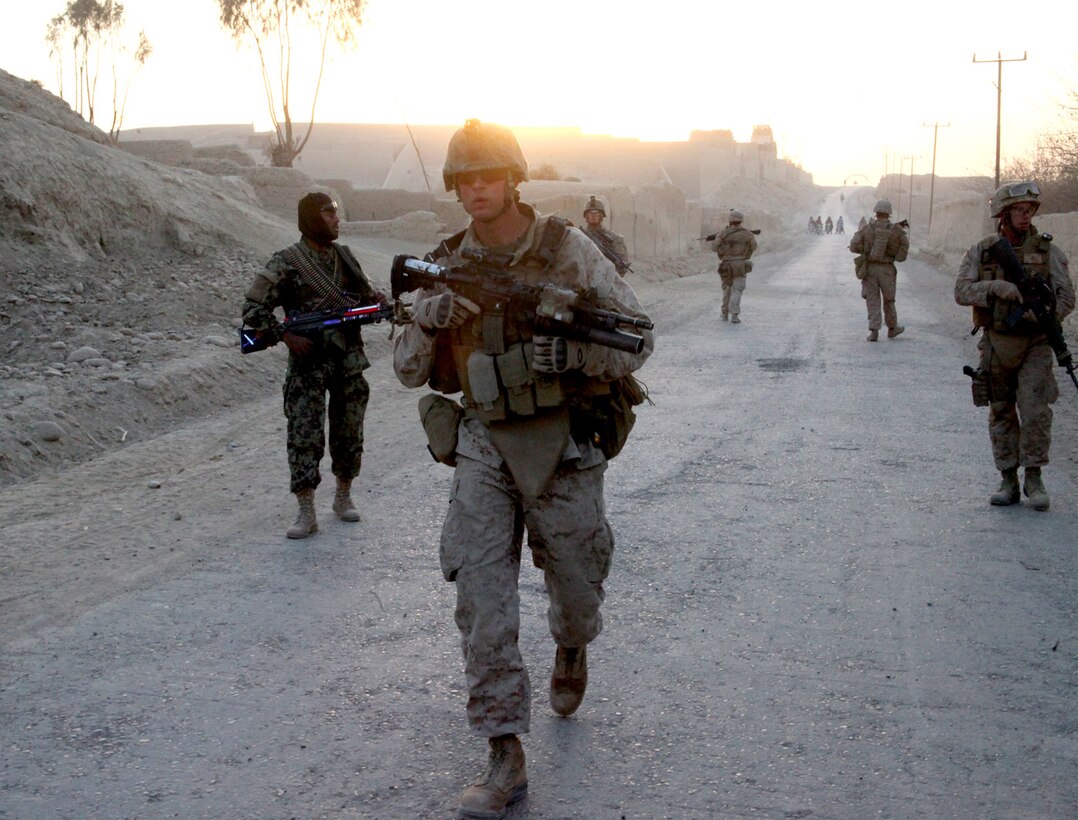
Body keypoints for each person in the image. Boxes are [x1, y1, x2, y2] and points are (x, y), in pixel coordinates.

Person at [392, 119, 653, 819]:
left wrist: (573, 358)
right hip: (483, 441)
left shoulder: (568, 250)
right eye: (464, 179)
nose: (476, 189)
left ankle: (572, 643)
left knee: (576, 587)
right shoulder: (443, 261)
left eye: (487, 176)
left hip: (565, 442)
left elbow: (637, 340)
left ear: (513, 178)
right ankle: (504, 751)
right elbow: (408, 372)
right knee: (482, 598)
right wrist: (427, 319)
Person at [242, 192, 385, 538]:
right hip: (308, 363)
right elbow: (253, 310)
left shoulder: (345, 258)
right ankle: (306, 510)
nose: (337, 220)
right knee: (304, 435)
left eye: (336, 214)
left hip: (348, 360)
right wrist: (285, 335)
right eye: (328, 214)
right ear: (310, 218)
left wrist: (377, 303)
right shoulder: (287, 261)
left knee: (349, 430)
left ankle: (343, 496)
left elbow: (365, 299)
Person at [954, 181, 1074, 510]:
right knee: (1001, 412)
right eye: (1020, 211)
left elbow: (1067, 296)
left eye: (1030, 210)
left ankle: (1033, 478)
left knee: (1035, 412)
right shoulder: (983, 250)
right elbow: (961, 291)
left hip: (1035, 344)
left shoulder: (1048, 250)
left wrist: (1045, 317)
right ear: (1004, 215)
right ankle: (1008, 479)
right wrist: (996, 288)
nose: (1026, 216)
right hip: (996, 343)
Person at [848, 198, 909, 341]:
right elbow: (904, 249)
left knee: (872, 300)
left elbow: (853, 246)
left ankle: (874, 331)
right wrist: (895, 256)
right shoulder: (896, 230)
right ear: (889, 213)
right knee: (889, 300)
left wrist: (866, 251)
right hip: (887, 270)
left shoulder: (867, 228)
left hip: (870, 270)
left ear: (876, 212)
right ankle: (892, 328)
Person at [710, 208, 757, 323]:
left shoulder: (723, 233)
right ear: (741, 221)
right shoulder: (747, 234)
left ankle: (724, 313)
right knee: (737, 290)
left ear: (730, 220)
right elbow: (754, 247)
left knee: (727, 289)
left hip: (726, 266)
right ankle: (734, 315)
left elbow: (714, 248)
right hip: (740, 265)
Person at [579, 194, 631, 275]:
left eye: (596, 213)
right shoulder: (579, 236)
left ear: (602, 215)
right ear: (586, 216)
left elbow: (622, 269)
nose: (593, 215)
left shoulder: (615, 239)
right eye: (590, 212)